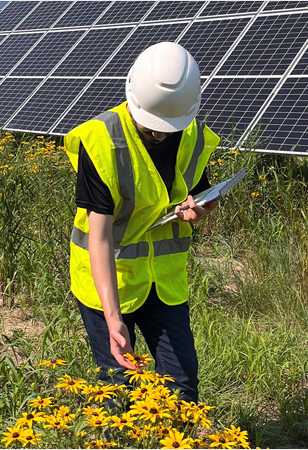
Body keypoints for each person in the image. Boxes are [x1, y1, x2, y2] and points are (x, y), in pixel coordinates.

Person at [63, 42, 220, 403]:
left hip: (163, 283)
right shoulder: (101, 141)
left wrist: (200, 210)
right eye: (152, 128)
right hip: (108, 281)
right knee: (118, 389)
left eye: (169, 128)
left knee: (182, 385)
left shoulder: (191, 133)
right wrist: (113, 317)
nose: (161, 135)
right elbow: (100, 238)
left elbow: (200, 195)